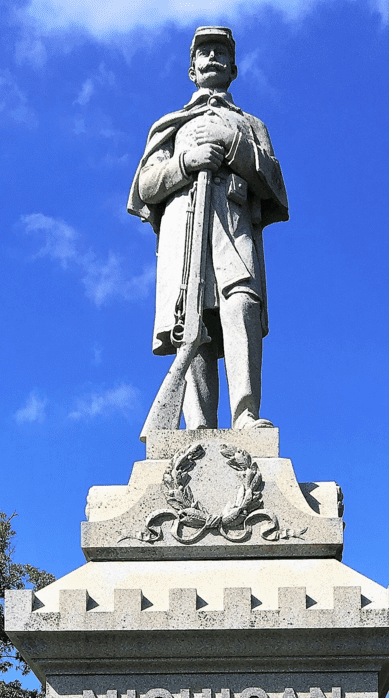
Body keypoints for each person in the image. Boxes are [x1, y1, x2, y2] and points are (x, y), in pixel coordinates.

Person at [128, 25, 288, 431]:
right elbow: (145, 186)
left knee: (242, 306)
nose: (213, 57)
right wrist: (187, 161)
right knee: (193, 320)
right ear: (192, 69)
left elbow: (274, 185)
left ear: (233, 68)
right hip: (185, 233)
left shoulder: (251, 124)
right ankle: (198, 426)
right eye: (205, 52)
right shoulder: (171, 124)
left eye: (221, 52)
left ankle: (245, 414)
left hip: (234, 228)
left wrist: (231, 144)